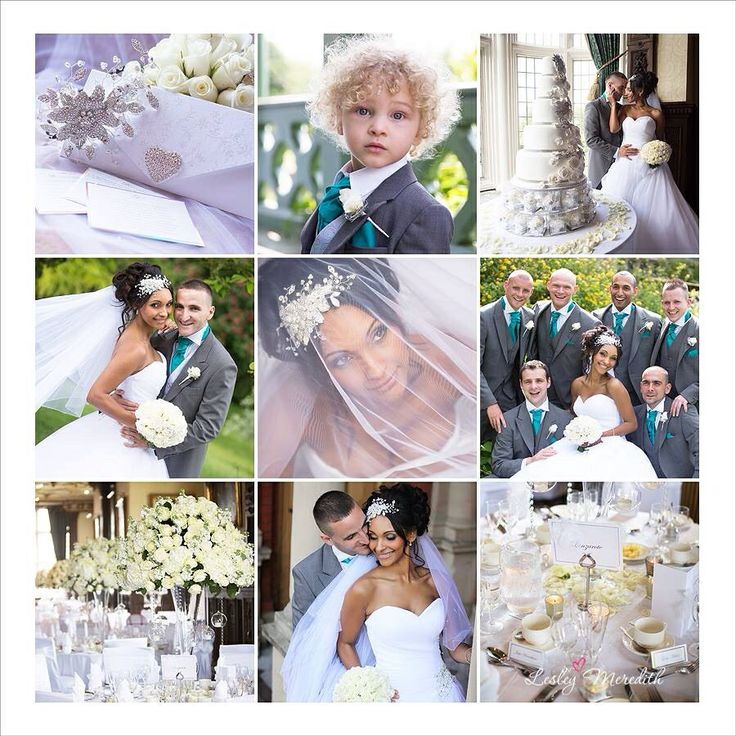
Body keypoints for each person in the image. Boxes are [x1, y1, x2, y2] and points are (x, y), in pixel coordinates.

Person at [258, 258, 476, 478]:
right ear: (320, 367)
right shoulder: (300, 402)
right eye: (342, 359)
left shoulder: (447, 359)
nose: (375, 370)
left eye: (378, 334)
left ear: (396, 312)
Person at [282, 483, 472, 702]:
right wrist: (366, 688)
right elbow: (311, 644)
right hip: (380, 690)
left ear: (409, 534)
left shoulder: (435, 580)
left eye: (367, 529)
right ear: (328, 539)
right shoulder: (325, 578)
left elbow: (454, 646)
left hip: (440, 692)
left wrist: (475, 655)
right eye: (355, 536)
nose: (370, 543)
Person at [300, 36, 460, 255]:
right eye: (363, 110)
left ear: (420, 130)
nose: (378, 128)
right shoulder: (339, 188)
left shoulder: (426, 214)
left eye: (398, 115)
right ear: (339, 119)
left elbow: (420, 288)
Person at [35, 263, 171, 478]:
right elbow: (96, 395)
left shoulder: (141, 337)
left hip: (123, 430)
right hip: (121, 436)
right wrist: (145, 428)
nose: (164, 312)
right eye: (156, 305)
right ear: (138, 304)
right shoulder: (135, 347)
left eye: (168, 305)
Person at [117, 279, 238, 478]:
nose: (184, 316)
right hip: (127, 442)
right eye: (179, 307)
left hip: (174, 461)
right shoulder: (162, 337)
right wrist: (113, 394)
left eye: (194, 308)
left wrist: (152, 442)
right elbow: (129, 368)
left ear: (210, 312)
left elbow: (207, 428)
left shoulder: (222, 365)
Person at [512, 326, 658, 481]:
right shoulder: (577, 384)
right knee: (542, 472)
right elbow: (575, 415)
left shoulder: (614, 385)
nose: (607, 361)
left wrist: (599, 435)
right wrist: (576, 433)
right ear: (592, 353)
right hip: (578, 443)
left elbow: (631, 424)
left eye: (613, 358)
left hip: (610, 445)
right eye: (603, 354)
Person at [600, 71, 698, 253]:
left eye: (629, 89)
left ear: (641, 90)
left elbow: (661, 140)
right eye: (626, 90)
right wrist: (614, 105)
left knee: (659, 211)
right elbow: (614, 129)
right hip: (625, 163)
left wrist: (657, 155)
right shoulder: (624, 109)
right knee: (618, 208)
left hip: (649, 165)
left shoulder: (656, 114)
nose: (626, 93)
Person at [291, 491, 370, 629]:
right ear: (328, 539)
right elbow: (303, 634)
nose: (366, 539)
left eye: (364, 525)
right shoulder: (306, 574)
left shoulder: (385, 549)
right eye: (351, 537)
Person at [529, 269, 600, 408]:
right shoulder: (538, 309)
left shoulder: (590, 323)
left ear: (575, 289)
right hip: (536, 394)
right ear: (548, 285)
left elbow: (591, 370)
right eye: (556, 285)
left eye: (566, 287)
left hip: (568, 400)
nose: (560, 291)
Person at [491, 360, 573, 479]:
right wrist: (530, 461)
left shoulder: (566, 420)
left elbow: (569, 463)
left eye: (539, 381)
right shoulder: (507, 420)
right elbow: (499, 465)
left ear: (548, 382)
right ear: (521, 385)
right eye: (528, 382)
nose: (533, 386)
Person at [480, 270, 535, 441]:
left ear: (531, 292)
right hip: (482, 395)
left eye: (525, 291)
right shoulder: (483, 316)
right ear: (506, 286)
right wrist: (489, 402)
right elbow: (472, 365)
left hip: (511, 396)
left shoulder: (530, 317)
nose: (520, 294)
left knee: (511, 443)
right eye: (515, 288)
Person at [592, 270, 662, 406]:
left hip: (636, 396)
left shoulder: (652, 321)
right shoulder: (595, 317)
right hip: (600, 394)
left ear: (635, 291)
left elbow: (658, 360)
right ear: (610, 288)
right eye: (616, 287)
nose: (619, 293)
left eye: (626, 288)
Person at [628, 366, 699, 478]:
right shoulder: (633, 415)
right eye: (646, 383)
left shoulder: (684, 411)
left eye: (656, 383)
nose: (650, 388)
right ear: (641, 387)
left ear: (667, 388)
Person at [649, 278, 699, 415]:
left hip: (690, 407)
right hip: (663, 405)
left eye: (677, 302)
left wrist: (687, 395)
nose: (671, 308)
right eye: (666, 303)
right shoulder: (663, 325)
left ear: (688, 302)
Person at [584, 71, 630, 188]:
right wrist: (617, 151)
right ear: (610, 86)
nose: (624, 92)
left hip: (621, 166)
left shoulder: (622, 109)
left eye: (626, 88)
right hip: (601, 167)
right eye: (621, 88)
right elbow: (591, 140)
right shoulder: (593, 107)